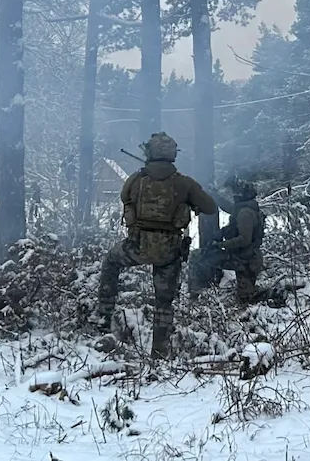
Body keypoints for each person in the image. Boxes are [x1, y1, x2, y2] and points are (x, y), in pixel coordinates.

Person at [94, 132, 216, 358]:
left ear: (149, 153)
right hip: (169, 251)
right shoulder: (184, 182)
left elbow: (124, 197)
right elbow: (210, 207)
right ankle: (158, 352)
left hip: (136, 246)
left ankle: (103, 317)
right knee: (164, 301)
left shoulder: (136, 179)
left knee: (111, 261)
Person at [188, 176, 273, 305]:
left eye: (235, 192)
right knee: (246, 299)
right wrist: (214, 195)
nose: (233, 195)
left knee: (246, 299)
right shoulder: (246, 208)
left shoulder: (245, 213)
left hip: (245, 260)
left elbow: (244, 240)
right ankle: (198, 293)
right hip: (245, 257)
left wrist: (220, 245)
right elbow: (228, 207)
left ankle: (196, 295)